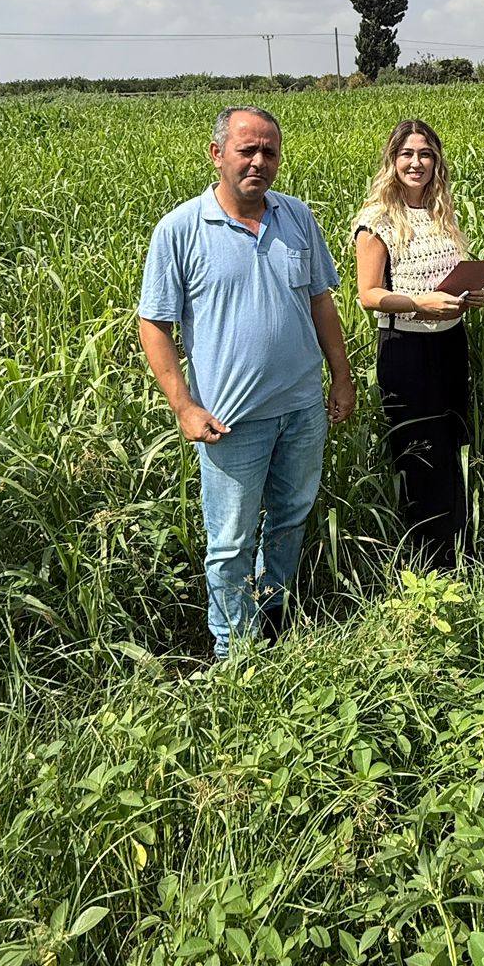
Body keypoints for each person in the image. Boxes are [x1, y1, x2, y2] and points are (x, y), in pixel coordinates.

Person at [138, 106, 354, 660]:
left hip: (303, 409)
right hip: (231, 422)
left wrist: (341, 377)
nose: (259, 161)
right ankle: (234, 652)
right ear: (218, 154)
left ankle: (275, 616)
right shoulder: (181, 230)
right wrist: (183, 405)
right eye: (246, 150)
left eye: (269, 152)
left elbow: (321, 302)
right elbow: (154, 324)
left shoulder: (297, 218)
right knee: (230, 541)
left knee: (290, 517)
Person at [353, 120, 478, 572]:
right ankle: (427, 559)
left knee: (451, 442)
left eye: (425, 154)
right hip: (405, 349)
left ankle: (459, 544)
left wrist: (470, 295)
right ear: (392, 160)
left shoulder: (443, 212)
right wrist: (419, 304)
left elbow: (448, 277)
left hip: (451, 343)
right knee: (418, 452)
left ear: (436, 161)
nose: (416, 163)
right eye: (407, 154)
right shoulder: (376, 220)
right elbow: (368, 294)